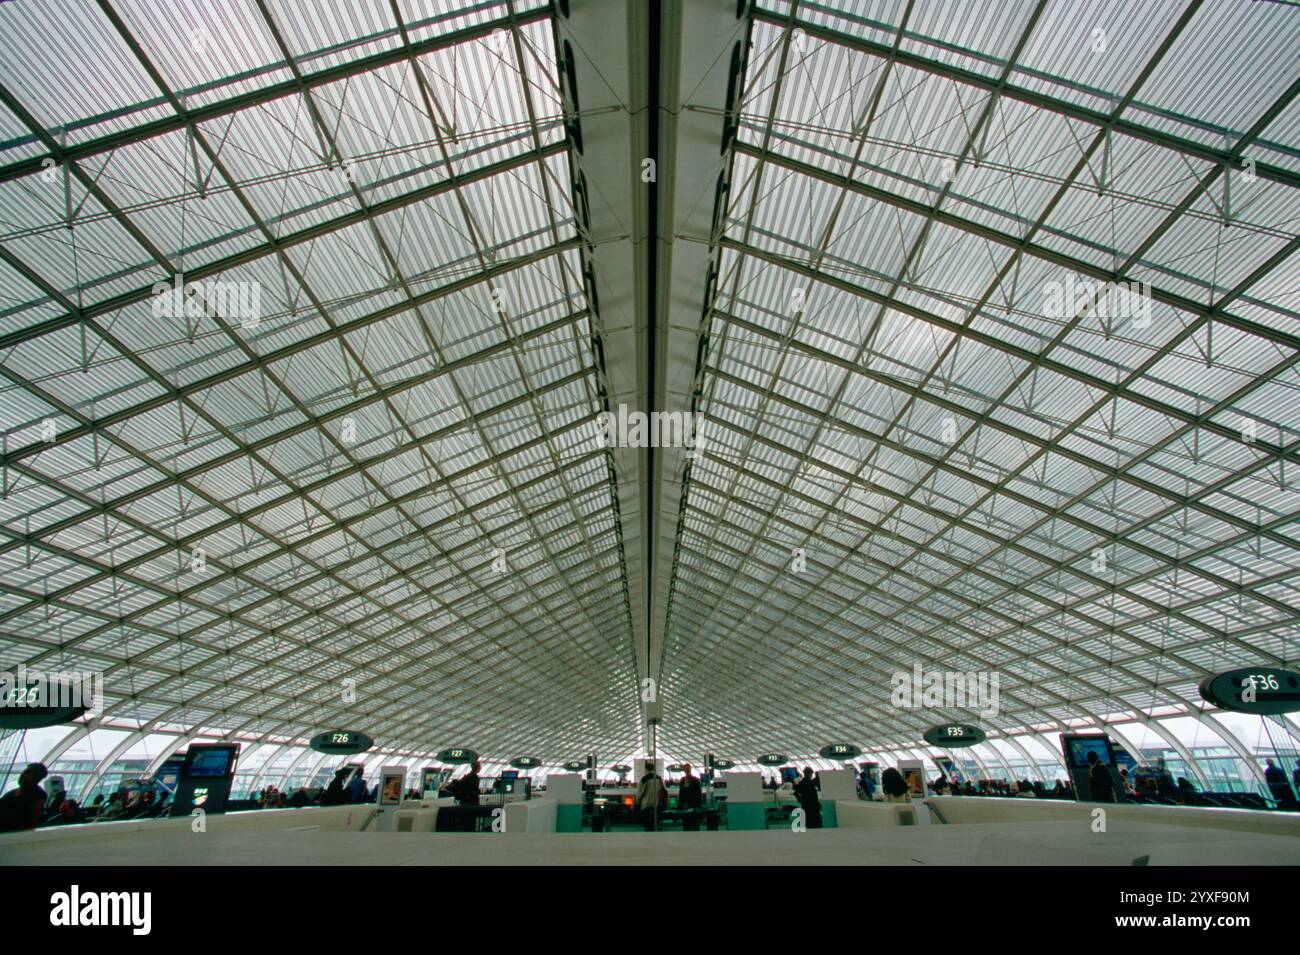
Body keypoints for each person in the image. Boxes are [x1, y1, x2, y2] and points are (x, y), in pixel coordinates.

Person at [0, 763, 50, 833]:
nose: (22, 774)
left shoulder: (38, 795)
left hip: (13, 833)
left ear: (35, 777)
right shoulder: (12, 792)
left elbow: (31, 821)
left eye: (27, 772)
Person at [634, 762, 667, 831]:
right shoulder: (659, 778)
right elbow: (664, 791)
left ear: (646, 769)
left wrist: (637, 802)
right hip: (657, 806)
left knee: (648, 827)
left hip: (646, 806)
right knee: (655, 825)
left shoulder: (644, 779)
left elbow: (639, 795)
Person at [677, 763, 703, 830]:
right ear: (684, 770)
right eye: (686, 769)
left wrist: (697, 805)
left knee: (694, 824)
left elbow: (698, 794)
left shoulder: (696, 780)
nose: (687, 770)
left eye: (688, 769)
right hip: (685, 806)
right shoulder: (682, 780)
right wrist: (680, 805)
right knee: (686, 825)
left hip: (693, 806)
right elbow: (681, 793)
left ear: (690, 769)